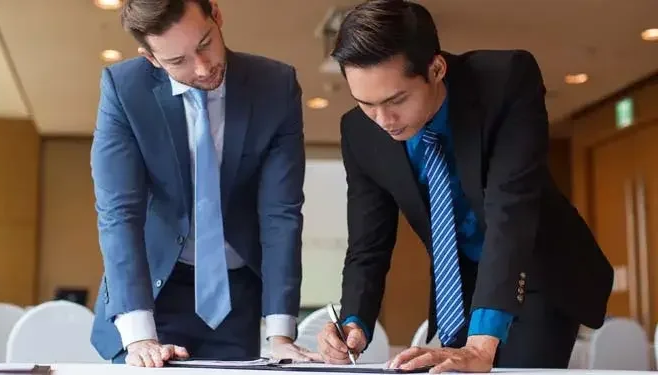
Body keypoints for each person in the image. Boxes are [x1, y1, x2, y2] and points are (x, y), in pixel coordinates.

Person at [315, 0, 613, 372]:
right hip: (460, 283)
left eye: (396, 100)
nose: (383, 120)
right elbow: (367, 244)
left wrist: (480, 345)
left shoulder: (504, 82)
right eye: (366, 104)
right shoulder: (359, 132)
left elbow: (511, 210)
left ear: (436, 68)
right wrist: (354, 322)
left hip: (536, 269)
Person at [89, 0, 311, 367]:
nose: (203, 67)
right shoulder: (124, 91)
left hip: (234, 297)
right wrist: (140, 337)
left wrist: (281, 335)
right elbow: (118, 213)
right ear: (151, 58)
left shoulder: (276, 87)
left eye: (205, 43)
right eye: (178, 61)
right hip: (153, 293)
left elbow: (281, 213)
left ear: (217, 16)